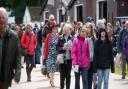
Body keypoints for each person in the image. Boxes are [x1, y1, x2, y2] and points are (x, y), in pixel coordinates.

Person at [0, 7, 21, 89]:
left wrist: (17, 73)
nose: (1, 20)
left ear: (7, 19)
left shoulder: (14, 36)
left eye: (3, 18)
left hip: (6, 75)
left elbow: (18, 56)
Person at [56, 23, 73, 89]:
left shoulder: (72, 38)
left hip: (69, 59)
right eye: (70, 29)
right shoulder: (60, 38)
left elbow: (74, 48)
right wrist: (63, 48)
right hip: (62, 60)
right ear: (66, 30)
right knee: (62, 76)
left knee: (68, 76)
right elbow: (57, 48)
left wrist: (71, 49)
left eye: (71, 29)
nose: (71, 30)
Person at [43, 20, 59, 87]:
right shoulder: (49, 36)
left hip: (56, 55)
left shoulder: (58, 36)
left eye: (57, 28)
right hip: (50, 54)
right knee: (51, 69)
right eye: (55, 28)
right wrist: (44, 55)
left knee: (54, 69)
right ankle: (51, 81)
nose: (56, 29)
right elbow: (46, 46)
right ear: (52, 29)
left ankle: (52, 80)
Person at [85, 22, 96, 89]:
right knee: (86, 78)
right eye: (86, 27)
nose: (87, 29)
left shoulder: (94, 38)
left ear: (91, 29)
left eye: (88, 27)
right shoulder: (83, 37)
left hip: (92, 61)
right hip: (85, 61)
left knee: (91, 77)